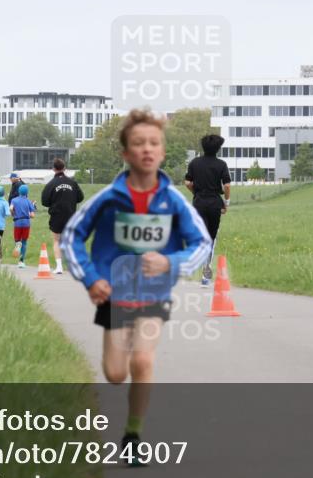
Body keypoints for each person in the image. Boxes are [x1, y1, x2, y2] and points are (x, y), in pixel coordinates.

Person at [61, 108, 211, 458]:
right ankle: (121, 371)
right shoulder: (108, 199)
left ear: (162, 152)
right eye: (138, 143)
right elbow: (71, 237)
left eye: (154, 143)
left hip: (153, 294)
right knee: (115, 373)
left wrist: (170, 262)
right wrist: (91, 279)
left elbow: (202, 243)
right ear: (126, 153)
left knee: (142, 361)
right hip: (113, 295)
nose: (147, 149)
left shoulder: (173, 200)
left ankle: (133, 436)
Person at [184, 134, 232, 287]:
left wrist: (196, 193)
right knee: (211, 238)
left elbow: (188, 183)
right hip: (214, 204)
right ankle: (206, 272)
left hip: (199, 203)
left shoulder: (194, 163)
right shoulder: (221, 164)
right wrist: (226, 202)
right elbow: (227, 186)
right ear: (218, 148)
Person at [42, 157, 84, 274]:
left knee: (57, 240)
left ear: (53, 169)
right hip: (71, 215)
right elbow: (80, 197)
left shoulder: (51, 184)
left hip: (57, 216)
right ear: (64, 168)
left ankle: (59, 267)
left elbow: (44, 201)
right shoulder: (73, 183)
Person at [10, 184, 37, 269]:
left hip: (17, 222)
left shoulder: (14, 200)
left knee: (17, 240)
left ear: (19, 191)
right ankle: (21, 261)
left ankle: (18, 244)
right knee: (24, 242)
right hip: (26, 223)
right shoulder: (28, 201)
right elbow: (32, 215)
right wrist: (29, 213)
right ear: (27, 192)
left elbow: (11, 208)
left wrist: (13, 214)